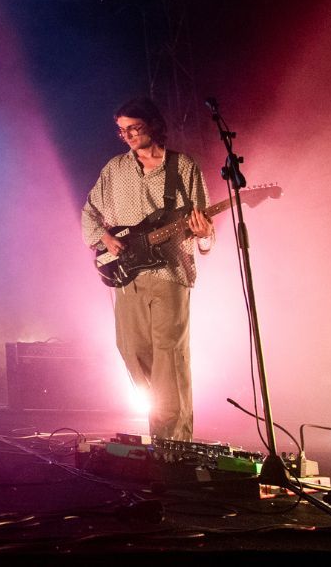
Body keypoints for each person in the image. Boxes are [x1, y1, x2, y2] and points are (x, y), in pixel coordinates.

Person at [81, 97, 214, 441]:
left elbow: (203, 226)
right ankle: (163, 430)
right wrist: (105, 239)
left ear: (153, 124)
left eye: (134, 128)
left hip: (170, 274)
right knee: (132, 351)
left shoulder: (182, 166)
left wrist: (203, 235)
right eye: (121, 130)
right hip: (128, 278)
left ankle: (174, 443)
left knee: (170, 357)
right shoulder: (114, 169)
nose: (127, 135)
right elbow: (89, 215)